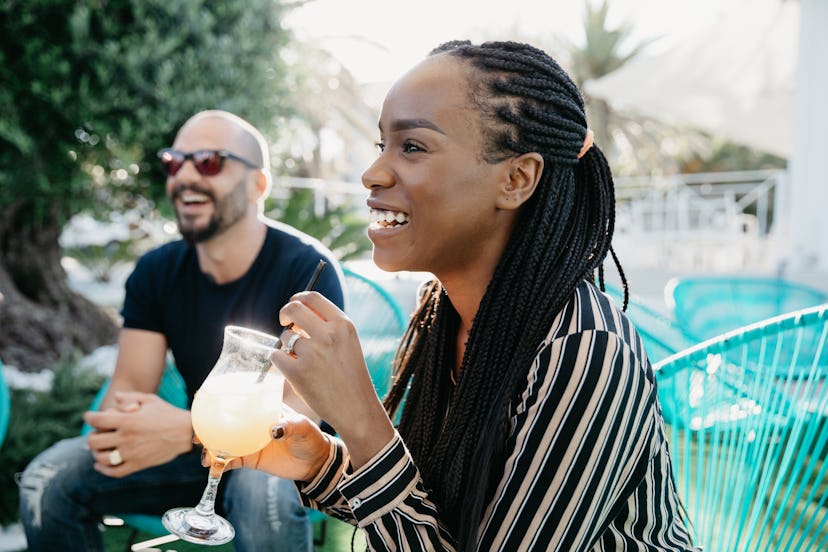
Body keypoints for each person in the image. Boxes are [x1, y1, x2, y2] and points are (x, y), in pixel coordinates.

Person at [229, 41, 698, 551]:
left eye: (412, 147)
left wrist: (361, 417)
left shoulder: (584, 351)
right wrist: (322, 463)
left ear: (517, 179)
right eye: (381, 145)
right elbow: (442, 521)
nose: (373, 173)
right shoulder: (444, 312)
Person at [18, 110, 344, 552]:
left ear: (258, 185)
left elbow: (296, 417)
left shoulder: (308, 270)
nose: (185, 175)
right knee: (47, 478)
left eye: (209, 161)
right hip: (187, 456)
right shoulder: (156, 270)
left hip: (267, 459)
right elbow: (129, 393)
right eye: (175, 162)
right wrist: (134, 432)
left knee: (260, 489)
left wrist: (187, 429)